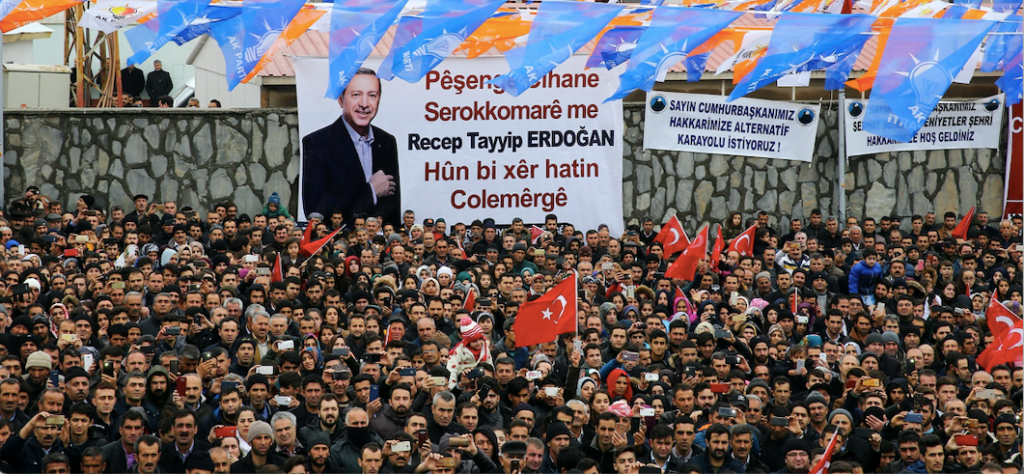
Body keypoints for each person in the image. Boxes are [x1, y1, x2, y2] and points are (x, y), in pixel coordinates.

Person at [301, 68, 400, 226]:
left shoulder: (386, 142)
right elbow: (317, 209)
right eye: (356, 95)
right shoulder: (318, 143)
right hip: (338, 236)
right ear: (341, 100)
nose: (364, 104)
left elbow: (392, 207)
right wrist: (371, 191)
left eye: (372, 95)